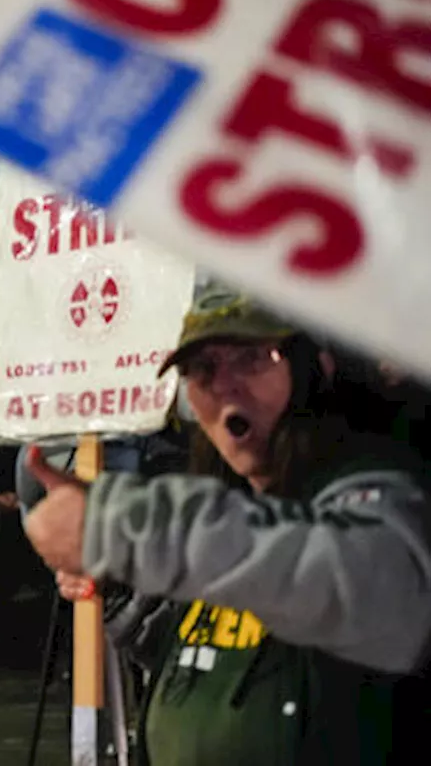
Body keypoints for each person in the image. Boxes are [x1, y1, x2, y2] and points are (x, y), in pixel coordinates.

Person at [22, 283, 432, 764]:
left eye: (252, 358)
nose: (224, 386)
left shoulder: (386, 488)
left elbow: (359, 583)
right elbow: (203, 658)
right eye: (202, 370)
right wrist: (116, 586)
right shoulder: (229, 506)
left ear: (314, 368)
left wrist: (129, 529)